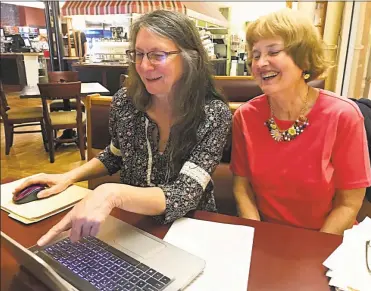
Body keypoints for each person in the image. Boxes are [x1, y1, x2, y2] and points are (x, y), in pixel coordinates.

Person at [14, 10, 231, 246]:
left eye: (157, 55)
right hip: (130, 224)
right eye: (138, 54)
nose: (144, 66)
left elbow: (184, 193)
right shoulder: (125, 102)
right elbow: (115, 154)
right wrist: (68, 177)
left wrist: (112, 194)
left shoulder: (213, 114)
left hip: (190, 226)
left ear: (191, 58)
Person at [230, 9, 371, 235]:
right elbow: (242, 187)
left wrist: (314, 249)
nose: (260, 63)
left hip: (325, 239)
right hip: (267, 236)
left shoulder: (343, 115)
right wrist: (256, 235)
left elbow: (349, 203)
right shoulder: (245, 117)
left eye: (273, 51)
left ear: (303, 58)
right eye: (255, 55)